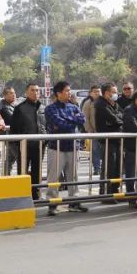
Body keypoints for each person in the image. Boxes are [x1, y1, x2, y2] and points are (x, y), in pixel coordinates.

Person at [44, 80, 88, 215]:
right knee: (53, 177)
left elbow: (82, 120)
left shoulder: (73, 107)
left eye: (70, 90)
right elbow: (59, 124)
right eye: (67, 91)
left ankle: (74, 202)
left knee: (73, 176)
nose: (70, 93)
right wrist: (72, 120)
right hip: (56, 147)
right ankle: (52, 203)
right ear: (58, 93)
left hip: (72, 146)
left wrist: (69, 119)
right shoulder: (50, 108)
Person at [11, 83, 46, 200]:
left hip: (39, 145)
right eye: (32, 90)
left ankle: (35, 194)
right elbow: (14, 129)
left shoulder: (42, 107)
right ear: (26, 92)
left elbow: (46, 126)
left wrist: (45, 140)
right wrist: (18, 145)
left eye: (37, 90)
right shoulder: (19, 108)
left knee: (37, 171)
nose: (35, 93)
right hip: (24, 146)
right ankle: (22, 194)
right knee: (23, 170)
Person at [94, 83, 123, 199]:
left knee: (116, 168)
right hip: (107, 140)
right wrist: (118, 119)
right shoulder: (101, 104)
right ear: (107, 93)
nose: (116, 94)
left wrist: (119, 119)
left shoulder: (114, 104)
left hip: (116, 140)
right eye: (114, 92)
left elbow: (122, 115)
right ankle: (106, 193)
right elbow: (114, 119)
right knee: (109, 168)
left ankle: (114, 191)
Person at [80, 84, 102, 175]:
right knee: (95, 150)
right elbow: (85, 118)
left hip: (105, 131)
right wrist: (89, 130)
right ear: (90, 93)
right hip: (94, 132)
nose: (97, 93)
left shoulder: (104, 102)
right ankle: (97, 168)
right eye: (95, 92)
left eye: (98, 91)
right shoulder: (88, 103)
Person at [0, 86, 18, 175]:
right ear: (4, 96)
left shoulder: (13, 105)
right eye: (10, 93)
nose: (13, 95)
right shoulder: (4, 108)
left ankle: (6, 176)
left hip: (13, 137)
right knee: (20, 158)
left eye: (14, 92)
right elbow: (12, 120)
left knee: (10, 159)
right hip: (11, 137)